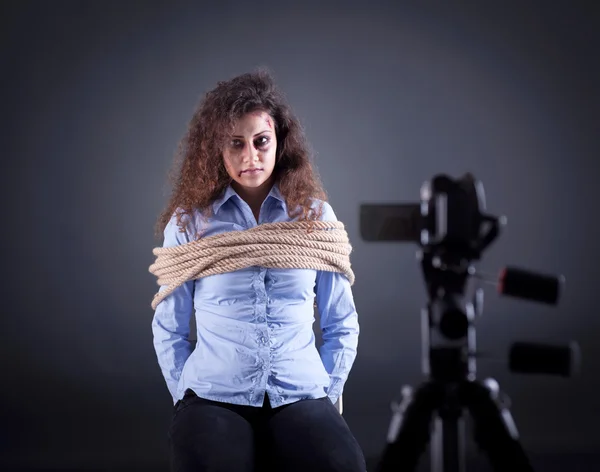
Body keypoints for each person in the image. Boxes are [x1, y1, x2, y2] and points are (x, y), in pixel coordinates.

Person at [149, 69, 366, 472]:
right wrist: (185, 394)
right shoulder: (189, 224)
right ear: (217, 149)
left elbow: (342, 324)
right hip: (215, 394)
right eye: (236, 144)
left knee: (342, 465)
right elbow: (169, 328)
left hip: (300, 392)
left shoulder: (314, 218)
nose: (251, 156)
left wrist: (327, 392)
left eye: (261, 141)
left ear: (279, 142)